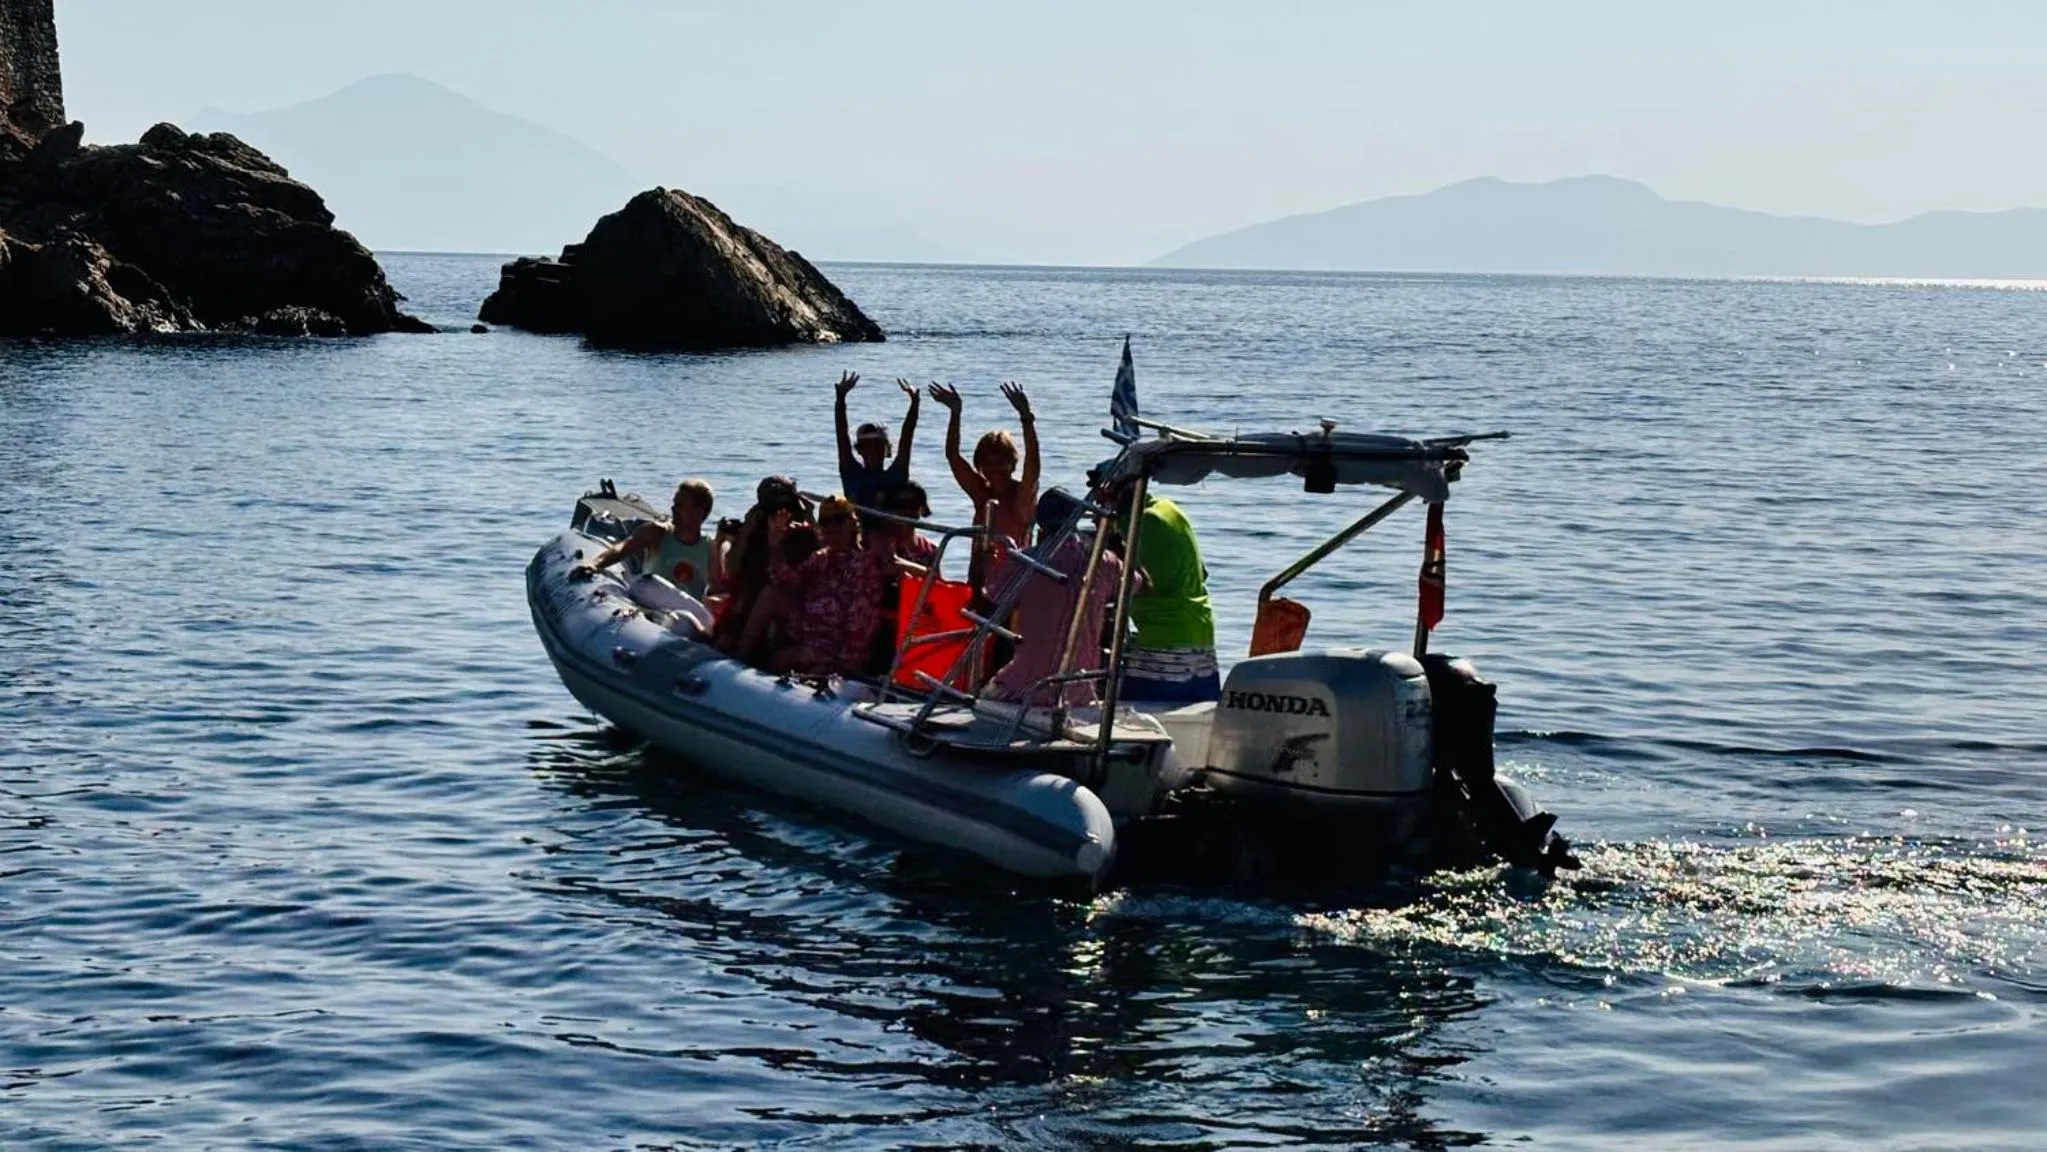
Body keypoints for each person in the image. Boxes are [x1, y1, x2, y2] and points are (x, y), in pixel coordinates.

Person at [986, 487, 1121, 708]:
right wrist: (1114, 541)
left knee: (986, 693)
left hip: (1027, 686)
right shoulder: (1105, 561)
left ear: (1040, 521)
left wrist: (988, 562)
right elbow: (1138, 584)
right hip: (1081, 689)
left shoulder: (1026, 561)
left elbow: (992, 600)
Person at [1103, 476, 1219, 705]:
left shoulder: (1138, 523)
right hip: (1201, 634)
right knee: (1198, 722)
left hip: (1164, 642)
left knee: (1132, 721)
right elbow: (1202, 572)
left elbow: (1137, 585)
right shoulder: (1169, 508)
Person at [927, 380, 1040, 592]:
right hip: (978, 587)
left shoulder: (1021, 497)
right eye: (987, 463)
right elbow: (953, 455)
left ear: (1011, 463)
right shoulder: (981, 494)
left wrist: (1026, 417)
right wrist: (955, 411)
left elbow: (1033, 464)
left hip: (1011, 589)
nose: (993, 469)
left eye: (1000, 462)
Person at [760, 495, 886, 677]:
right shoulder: (820, 558)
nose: (832, 526)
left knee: (783, 659)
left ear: (852, 523)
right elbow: (785, 581)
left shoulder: (864, 567)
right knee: (769, 595)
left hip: (833, 653)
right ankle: (739, 656)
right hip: (804, 638)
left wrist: (840, 666)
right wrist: (776, 544)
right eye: (826, 521)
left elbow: (861, 624)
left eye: (838, 519)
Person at [712, 476, 813, 661]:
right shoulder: (757, 533)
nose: (780, 511)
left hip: (787, 609)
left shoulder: (804, 534)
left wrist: (809, 519)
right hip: (749, 603)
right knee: (724, 637)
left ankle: (744, 653)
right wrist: (747, 529)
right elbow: (733, 570)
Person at [571, 479, 720, 599]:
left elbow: (716, 586)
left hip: (685, 616)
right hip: (651, 607)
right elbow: (622, 549)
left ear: (699, 513)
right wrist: (595, 564)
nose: (673, 508)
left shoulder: (710, 547)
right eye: (674, 503)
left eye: (680, 505)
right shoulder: (657, 532)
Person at [834, 371, 920, 522]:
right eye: (866, 445)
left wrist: (914, 402)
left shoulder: (895, 475)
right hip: (858, 537)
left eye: (877, 445)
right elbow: (842, 436)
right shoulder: (851, 473)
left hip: (889, 538)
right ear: (859, 450)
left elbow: (907, 438)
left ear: (886, 448)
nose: (872, 450)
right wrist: (840, 398)